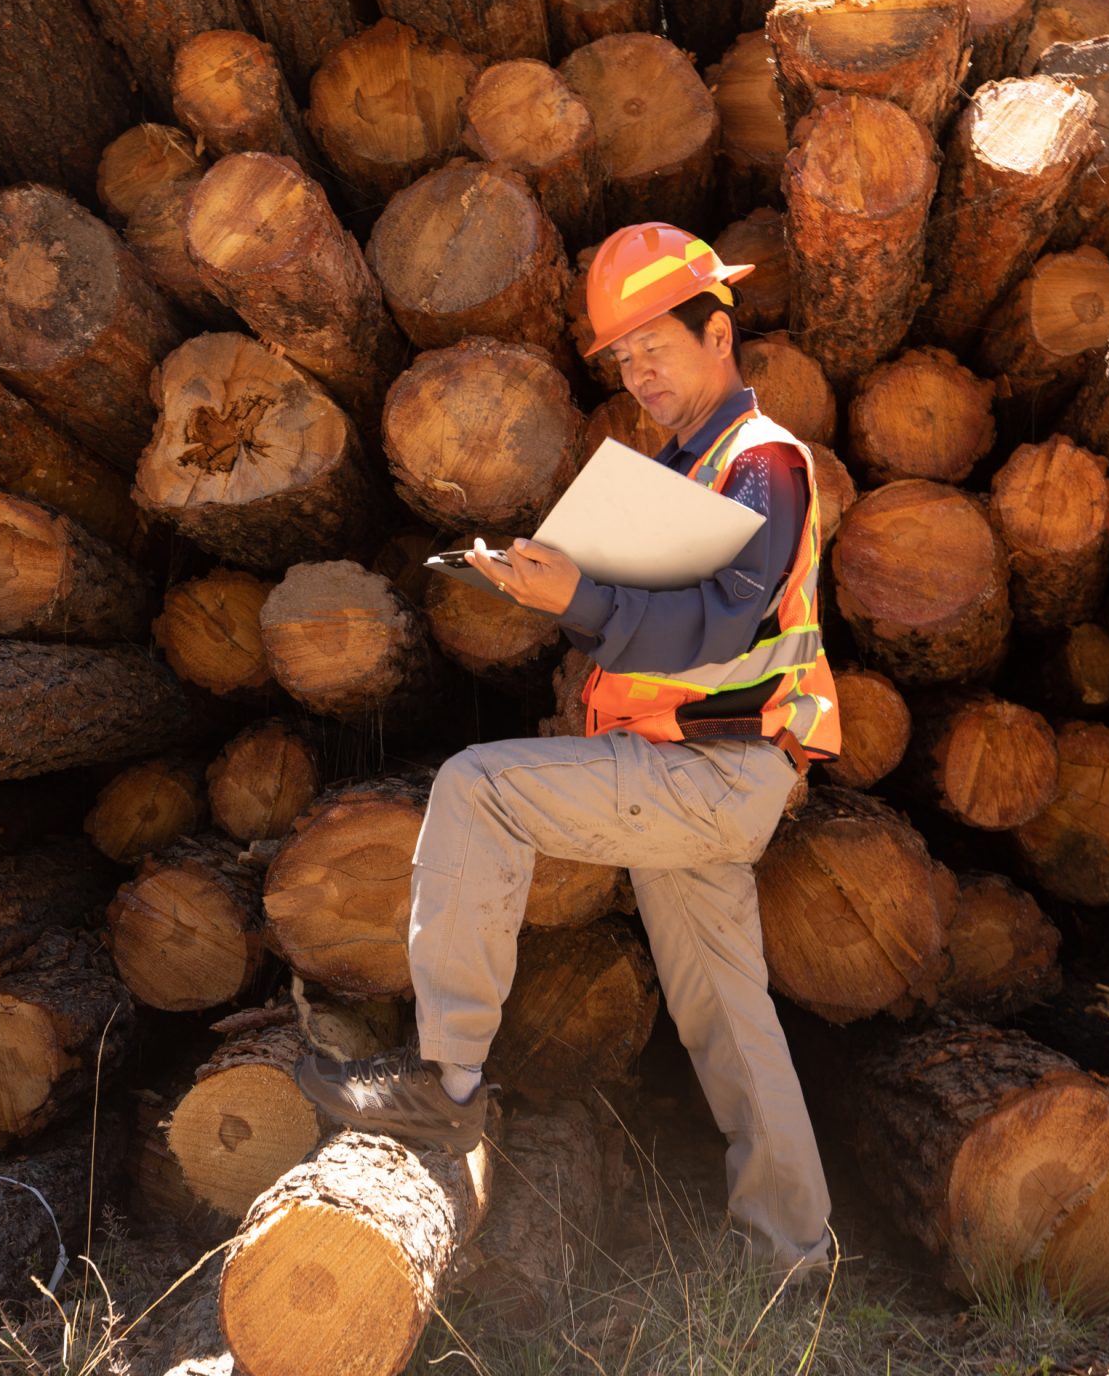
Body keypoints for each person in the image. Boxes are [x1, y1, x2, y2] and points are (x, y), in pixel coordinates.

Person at [297, 219, 842, 1271]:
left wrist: (582, 592)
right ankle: (793, 1253)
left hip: (715, 774)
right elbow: (666, 625)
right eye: (625, 360)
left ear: (717, 332)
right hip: (704, 777)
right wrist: (552, 590)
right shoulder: (689, 466)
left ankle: (447, 1083)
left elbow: (724, 621)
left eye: (657, 350)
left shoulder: (762, 462)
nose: (640, 375)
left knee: (480, 789)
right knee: (729, 1017)